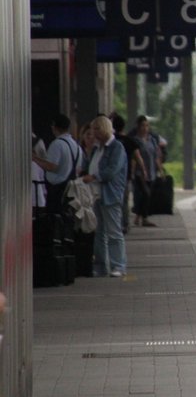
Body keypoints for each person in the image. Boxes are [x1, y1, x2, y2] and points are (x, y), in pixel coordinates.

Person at [82, 115, 128, 278]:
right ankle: (101, 266)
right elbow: (88, 165)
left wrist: (94, 177)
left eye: (96, 129)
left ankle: (118, 265)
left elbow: (112, 170)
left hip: (110, 195)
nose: (93, 133)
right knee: (99, 232)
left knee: (114, 231)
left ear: (104, 129)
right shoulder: (97, 148)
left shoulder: (117, 148)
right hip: (96, 195)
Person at [33, 114, 81, 214]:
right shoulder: (76, 145)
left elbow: (51, 166)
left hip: (57, 189)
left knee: (54, 218)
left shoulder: (57, 144)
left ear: (55, 127)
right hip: (72, 187)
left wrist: (34, 158)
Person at [109, 113, 145, 233]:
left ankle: (115, 223)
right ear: (123, 127)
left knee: (113, 201)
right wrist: (144, 171)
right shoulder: (129, 141)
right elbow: (138, 157)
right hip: (126, 176)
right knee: (124, 201)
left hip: (111, 177)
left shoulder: (111, 141)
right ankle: (125, 224)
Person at [131, 115, 164, 227]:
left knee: (146, 195)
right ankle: (144, 218)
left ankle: (138, 217)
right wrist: (132, 172)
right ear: (138, 127)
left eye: (147, 125)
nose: (145, 128)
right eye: (142, 126)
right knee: (146, 194)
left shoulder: (152, 140)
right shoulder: (135, 140)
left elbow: (156, 157)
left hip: (151, 172)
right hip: (140, 173)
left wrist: (161, 170)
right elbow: (135, 158)